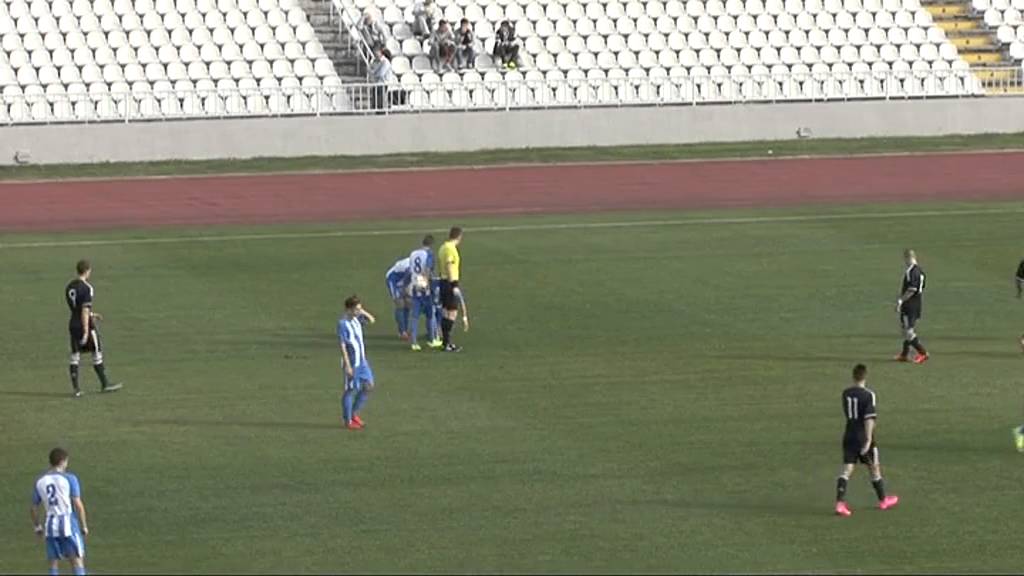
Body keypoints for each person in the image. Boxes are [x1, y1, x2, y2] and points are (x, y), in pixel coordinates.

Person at [835, 364, 899, 517]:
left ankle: (840, 503)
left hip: (849, 434)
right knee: (874, 467)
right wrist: (868, 439)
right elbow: (869, 419)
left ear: (853, 376)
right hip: (862, 436)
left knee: (847, 469)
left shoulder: (846, 393)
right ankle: (883, 500)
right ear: (865, 376)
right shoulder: (868, 395)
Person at [65, 260, 122, 397]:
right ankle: (105, 384)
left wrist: (92, 314)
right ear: (87, 271)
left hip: (73, 323)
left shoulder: (69, 287)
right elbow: (84, 310)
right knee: (96, 352)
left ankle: (76, 389)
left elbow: (76, 308)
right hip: (85, 325)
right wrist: (86, 330)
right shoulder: (87, 288)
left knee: (75, 356)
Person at [31, 448, 89, 576]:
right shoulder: (69, 478)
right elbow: (78, 504)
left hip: (50, 524)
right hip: (68, 523)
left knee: (53, 563)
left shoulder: (40, 481)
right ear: (63, 461)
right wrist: (84, 526)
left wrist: (37, 527)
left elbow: (34, 507)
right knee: (77, 561)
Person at [338, 295, 377, 430]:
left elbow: (372, 320)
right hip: (353, 362)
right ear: (349, 310)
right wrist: (348, 365)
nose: (359, 311)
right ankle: (347, 420)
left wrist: (362, 312)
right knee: (350, 390)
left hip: (362, 361)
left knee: (369, 386)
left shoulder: (356, 319)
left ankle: (354, 413)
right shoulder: (343, 324)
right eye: (357, 309)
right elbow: (342, 345)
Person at [437, 226, 470, 352]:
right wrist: (454, 285)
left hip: (443, 282)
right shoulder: (450, 249)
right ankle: (447, 343)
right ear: (459, 237)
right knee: (452, 313)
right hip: (450, 283)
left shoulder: (442, 247)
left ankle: (444, 342)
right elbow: (449, 265)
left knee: (446, 312)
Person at [408, 235, 442, 351]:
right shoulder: (429, 254)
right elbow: (427, 269)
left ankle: (414, 342)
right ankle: (432, 339)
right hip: (424, 287)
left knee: (415, 316)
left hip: (414, 285)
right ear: (431, 244)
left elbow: (411, 269)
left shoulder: (413, 253)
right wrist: (426, 282)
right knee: (430, 313)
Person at [894, 249, 928, 364]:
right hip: (917, 303)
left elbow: (912, 289)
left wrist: (900, 300)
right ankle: (904, 354)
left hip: (910, 304)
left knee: (908, 331)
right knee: (905, 329)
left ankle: (922, 352)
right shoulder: (921, 271)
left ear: (907, 258)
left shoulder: (911, 271)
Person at [385, 257, 411, 340]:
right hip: (393, 279)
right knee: (400, 304)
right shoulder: (409, 266)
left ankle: (405, 329)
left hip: (405, 280)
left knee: (408, 304)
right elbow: (407, 276)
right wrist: (403, 289)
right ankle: (402, 331)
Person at [368, 46, 395, 112]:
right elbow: (370, 70)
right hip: (376, 84)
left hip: (382, 84)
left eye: (377, 52)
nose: (375, 53)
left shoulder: (385, 62)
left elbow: (381, 73)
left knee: (380, 104)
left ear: (381, 52)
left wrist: (373, 72)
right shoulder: (375, 61)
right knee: (375, 104)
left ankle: (381, 114)